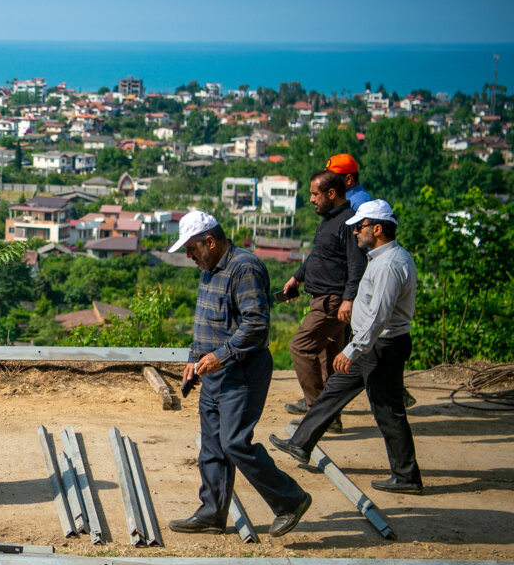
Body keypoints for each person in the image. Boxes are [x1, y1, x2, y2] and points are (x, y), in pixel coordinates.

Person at [167, 210, 312, 537]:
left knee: (234, 442)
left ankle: (291, 500)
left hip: (242, 370)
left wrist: (220, 356)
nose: (189, 256)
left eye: (191, 248)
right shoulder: (208, 268)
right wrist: (195, 357)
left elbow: (256, 326)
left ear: (210, 241)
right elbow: (205, 320)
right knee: (213, 446)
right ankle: (212, 512)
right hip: (215, 371)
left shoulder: (243, 268)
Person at [270, 200, 423, 493]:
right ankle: (300, 444)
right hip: (373, 345)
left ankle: (407, 477)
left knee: (388, 411)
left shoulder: (389, 265)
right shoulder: (382, 258)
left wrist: (353, 349)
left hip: (380, 347)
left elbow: (379, 316)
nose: (355, 233)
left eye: (360, 227)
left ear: (377, 229)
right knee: (332, 394)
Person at [280, 170, 367, 426]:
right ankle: (331, 419)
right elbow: (320, 257)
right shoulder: (329, 219)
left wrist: (349, 299)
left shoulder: (349, 221)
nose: (311, 199)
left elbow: (357, 265)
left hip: (332, 301)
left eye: (315, 194)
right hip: (322, 297)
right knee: (327, 359)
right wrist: (297, 277)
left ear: (332, 193)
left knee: (300, 347)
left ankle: (316, 415)